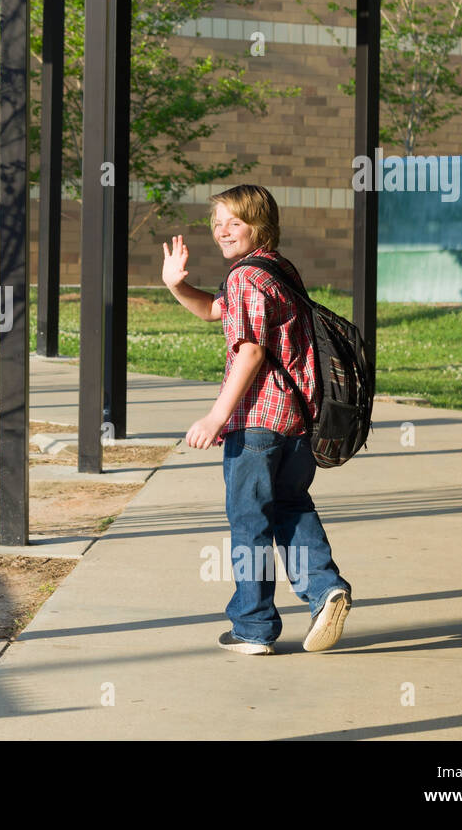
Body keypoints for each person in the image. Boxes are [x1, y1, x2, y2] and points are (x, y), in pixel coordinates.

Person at [161, 183, 351, 655]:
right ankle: (325, 588)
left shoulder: (248, 277)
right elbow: (214, 311)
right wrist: (176, 284)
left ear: (258, 226)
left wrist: (215, 417)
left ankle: (252, 628)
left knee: (249, 524)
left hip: (258, 424)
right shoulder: (277, 270)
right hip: (299, 421)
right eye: (217, 223)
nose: (222, 231)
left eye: (235, 223)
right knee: (290, 504)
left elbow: (249, 350)